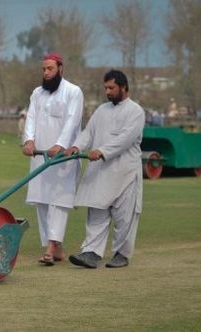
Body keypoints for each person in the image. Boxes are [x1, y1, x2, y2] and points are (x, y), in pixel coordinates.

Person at [64, 69, 145, 268]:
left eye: (111, 88)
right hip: (101, 172)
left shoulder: (135, 111)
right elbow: (88, 133)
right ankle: (91, 253)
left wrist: (101, 151)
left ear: (124, 87)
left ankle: (121, 254)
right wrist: (76, 147)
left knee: (124, 217)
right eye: (105, 88)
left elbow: (124, 139)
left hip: (125, 172)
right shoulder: (102, 110)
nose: (107, 91)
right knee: (97, 212)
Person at [22, 52, 84, 266]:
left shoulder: (73, 92)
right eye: (43, 69)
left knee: (58, 201)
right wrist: (28, 141)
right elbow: (30, 118)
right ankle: (55, 248)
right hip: (40, 156)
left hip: (62, 158)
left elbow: (72, 121)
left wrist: (61, 144)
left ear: (60, 68)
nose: (46, 73)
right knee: (41, 200)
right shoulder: (37, 93)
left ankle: (50, 246)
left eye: (50, 69)